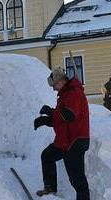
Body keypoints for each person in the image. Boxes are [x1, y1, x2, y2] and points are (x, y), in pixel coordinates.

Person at [34, 67, 90, 200]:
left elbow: (68, 115)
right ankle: (50, 188)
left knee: (77, 179)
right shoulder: (65, 94)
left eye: (54, 85)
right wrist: (46, 120)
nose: (53, 89)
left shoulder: (74, 93)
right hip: (65, 141)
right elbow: (61, 119)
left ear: (61, 81)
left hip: (75, 141)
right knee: (47, 156)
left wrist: (50, 112)